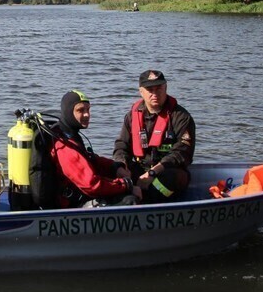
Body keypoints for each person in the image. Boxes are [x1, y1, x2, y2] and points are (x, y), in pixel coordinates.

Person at [113, 70, 195, 203]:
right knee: (112, 172)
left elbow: (182, 153)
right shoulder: (131, 117)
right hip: (141, 170)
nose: (155, 94)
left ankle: (147, 202)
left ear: (166, 88)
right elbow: (121, 146)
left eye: (159, 88)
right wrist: (122, 168)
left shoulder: (181, 117)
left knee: (165, 182)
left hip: (168, 171)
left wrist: (153, 173)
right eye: (150, 89)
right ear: (141, 92)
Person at [48, 90, 140, 208]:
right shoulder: (64, 145)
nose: (87, 114)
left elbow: (89, 159)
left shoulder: (69, 135)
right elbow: (92, 185)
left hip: (81, 194)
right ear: (68, 112)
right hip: (72, 205)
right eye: (80, 110)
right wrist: (127, 185)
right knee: (129, 200)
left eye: (88, 109)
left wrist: (115, 167)